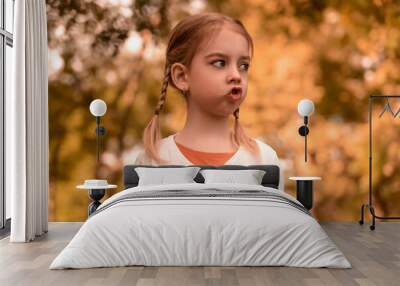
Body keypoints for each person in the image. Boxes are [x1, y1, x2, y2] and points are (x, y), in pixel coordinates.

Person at [134, 12, 284, 191]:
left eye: (243, 65)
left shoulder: (263, 159)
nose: (236, 75)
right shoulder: (152, 160)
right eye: (219, 63)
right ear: (182, 76)